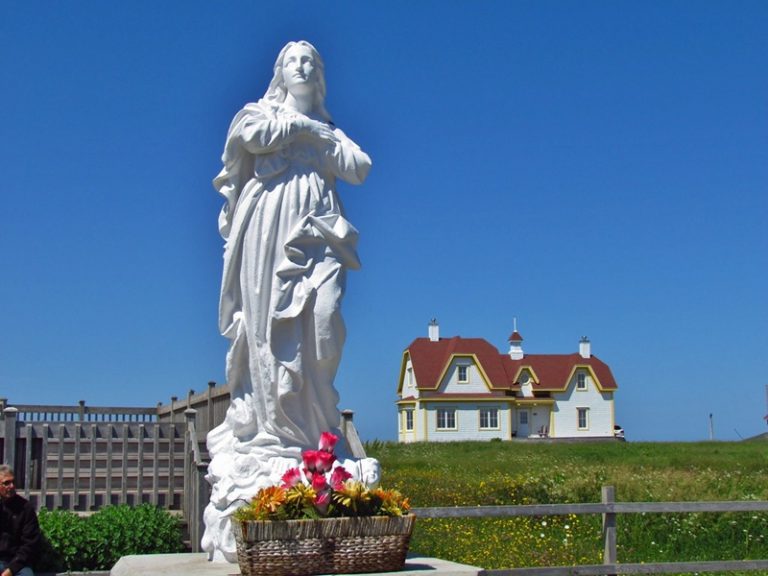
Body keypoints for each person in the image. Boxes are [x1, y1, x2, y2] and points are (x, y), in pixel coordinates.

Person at [202, 41, 372, 561]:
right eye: (294, 60)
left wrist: (322, 132)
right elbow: (252, 137)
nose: (303, 66)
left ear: (320, 77)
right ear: (280, 72)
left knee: (324, 322)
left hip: (318, 231)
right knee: (269, 327)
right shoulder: (257, 113)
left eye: (312, 62)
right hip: (269, 226)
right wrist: (305, 130)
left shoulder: (328, 128)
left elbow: (359, 167)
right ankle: (276, 430)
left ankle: (317, 420)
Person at [0, 465, 40, 576]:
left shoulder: (25, 508)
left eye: (13, 482)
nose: (12, 486)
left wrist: (11, 570)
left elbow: (30, 544)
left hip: (18, 562)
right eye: (6, 483)